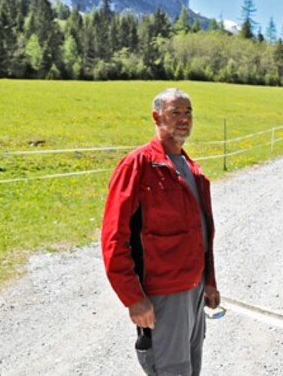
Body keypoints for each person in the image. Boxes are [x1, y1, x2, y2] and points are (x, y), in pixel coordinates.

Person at [101, 87, 220, 375]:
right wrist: (133, 297)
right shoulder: (138, 165)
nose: (184, 119)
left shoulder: (191, 169)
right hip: (162, 295)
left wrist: (210, 281)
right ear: (157, 117)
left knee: (192, 367)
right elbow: (114, 237)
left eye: (188, 112)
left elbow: (200, 235)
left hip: (194, 291)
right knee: (170, 369)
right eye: (175, 112)